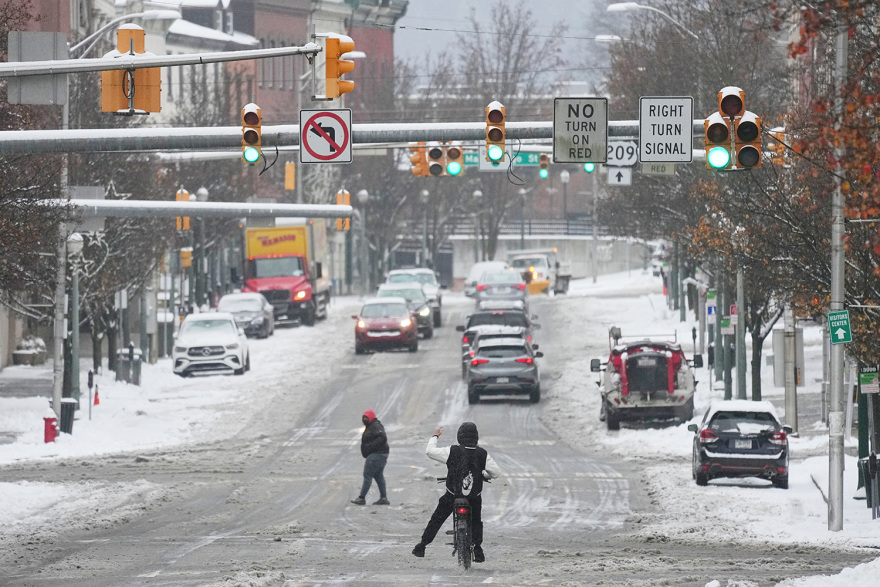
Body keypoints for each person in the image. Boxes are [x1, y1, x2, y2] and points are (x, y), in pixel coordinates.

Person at [412, 422, 500, 563]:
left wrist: (435, 435)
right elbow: (496, 473)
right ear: (476, 437)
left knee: (437, 519)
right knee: (476, 521)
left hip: (452, 496)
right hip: (473, 498)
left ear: (459, 436)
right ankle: (477, 548)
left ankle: (422, 546)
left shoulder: (452, 451)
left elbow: (430, 451)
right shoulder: (482, 454)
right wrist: (484, 475)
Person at [351, 409, 390, 506]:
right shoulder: (372, 426)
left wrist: (371, 447)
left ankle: (362, 498)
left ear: (371, 417)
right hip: (381, 454)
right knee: (378, 475)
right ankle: (383, 498)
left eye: (367, 418)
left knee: (367, 474)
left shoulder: (375, 426)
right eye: (364, 418)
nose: (365, 419)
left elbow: (382, 438)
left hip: (377, 454)